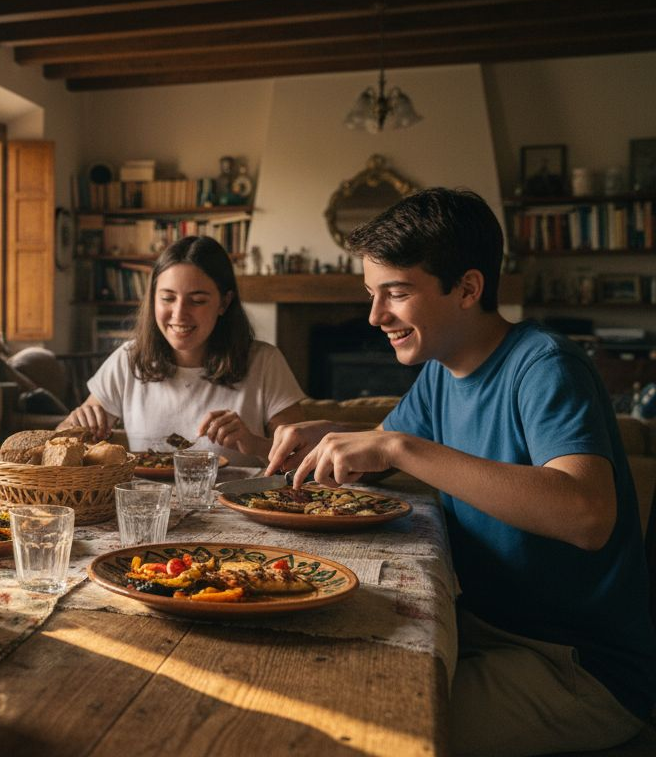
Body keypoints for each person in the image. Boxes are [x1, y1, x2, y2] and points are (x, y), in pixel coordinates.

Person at [266, 188, 656, 755]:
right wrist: (329, 438)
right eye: (372, 295)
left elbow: (586, 513)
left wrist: (400, 449)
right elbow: (378, 456)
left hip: (575, 667)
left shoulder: (546, 364)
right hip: (477, 627)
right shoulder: (441, 372)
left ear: (468, 288)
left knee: (358, 730)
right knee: (300, 670)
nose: (375, 317)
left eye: (396, 294)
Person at [59, 236, 305, 464]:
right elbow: (60, 441)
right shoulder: (129, 359)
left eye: (197, 301)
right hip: (147, 508)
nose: (179, 314)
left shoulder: (264, 362)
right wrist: (78, 424)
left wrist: (254, 444)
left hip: (236, 509)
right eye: (167, 298)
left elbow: (303, 455)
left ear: (224, 302)